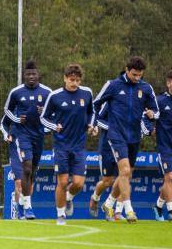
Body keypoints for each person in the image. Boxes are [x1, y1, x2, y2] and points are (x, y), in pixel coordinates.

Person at [93, 57, 159, 223]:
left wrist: (152, 115)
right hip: (116, 135)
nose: (137, 78)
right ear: (127, 70)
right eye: (134, 74)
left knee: (126, 175)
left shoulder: (145, 88)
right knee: (124, 171)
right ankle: (129, 209)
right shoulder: (113, 85)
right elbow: (94, 104)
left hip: (134, 137)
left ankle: (108, 204)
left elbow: (156, 111)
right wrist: (93, 124)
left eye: (140, 75)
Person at [40, 63, 97, 225]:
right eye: (72, 80)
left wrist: (92, 125)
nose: (75, 83)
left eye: (78, 80)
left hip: (79, 145)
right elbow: (43, 118)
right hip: (61, 145)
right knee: (63, 182)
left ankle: (69, 198)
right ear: (65, 78)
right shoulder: (55, 96)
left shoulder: (86, 93)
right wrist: (54, 126)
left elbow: (92, 112)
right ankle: (60, 215)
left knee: (79, 183)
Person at [2, 61, 51, 220]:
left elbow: (55, 113)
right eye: (28, 74)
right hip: (22, 135)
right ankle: (28, 207)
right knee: (27, 167)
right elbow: (6, 110)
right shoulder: (16, 92)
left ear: (38, 75)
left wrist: (45, 112)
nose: (31, 77)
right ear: (24, 76)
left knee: (32, 172)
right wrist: (16, 119)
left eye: (34, 74)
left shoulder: (47, 92)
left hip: (39, 135)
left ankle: (23, 203)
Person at [152, 70, 172, 221]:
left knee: (169, 181)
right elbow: (147, 116)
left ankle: (158, 205)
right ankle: (171, 211)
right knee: (169, 178)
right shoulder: (159, 101)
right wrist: (150, 128)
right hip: (165, 147)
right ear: (168, 83)